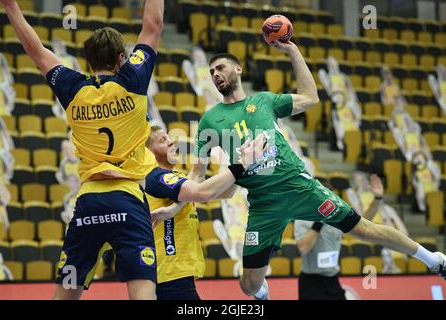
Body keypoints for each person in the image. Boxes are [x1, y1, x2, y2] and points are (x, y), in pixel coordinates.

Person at [188, 38, 446, 300]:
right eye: (211, 72)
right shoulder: (211, 119)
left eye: (220, 68)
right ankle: (262, 290)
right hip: (263, 204)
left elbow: (311, 98)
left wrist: (292, 50)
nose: (216, 75)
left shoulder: (265, 101)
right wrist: (185, 200)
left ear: (238, 69)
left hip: (300, 188)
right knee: (249, 287)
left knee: (365, 230)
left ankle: (434, 259)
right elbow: (197, 174)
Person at [1, 0, 165, 299]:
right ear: (121, 58)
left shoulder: (72, 87)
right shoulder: (134, 80)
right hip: (128, 199)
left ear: (88, 61)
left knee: (66, 292)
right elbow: (152, 27)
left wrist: (11, 6)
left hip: (89, 203)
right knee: (143, 293)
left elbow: (37, 52)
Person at [144, 125, 265, 300]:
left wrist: (240, 162)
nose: (171, 142)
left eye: (169, 138)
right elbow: (202, 191)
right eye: (163, 140)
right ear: (148, 151)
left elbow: (226, 191)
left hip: (177, 273)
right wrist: (243, 163)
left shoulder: (175, 176)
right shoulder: (156, 177)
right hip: (168, 273)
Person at [294, 174, 384, 300]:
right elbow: (303, 248)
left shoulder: (337, 216)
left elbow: (364, 223)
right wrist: (320, 220)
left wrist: (378, 198)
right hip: (311, 283)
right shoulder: (302, 219)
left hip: (333, 280)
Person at [318, 56, 361, 150]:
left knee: (355, 112)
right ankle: (340, 139)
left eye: (334, 63)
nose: (333, 65)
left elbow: (350, 89)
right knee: (337, 117)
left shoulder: (343, 76)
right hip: (337, 101)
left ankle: (354, 136)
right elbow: (326, 84)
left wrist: (352, 100)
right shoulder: (328, 76)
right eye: (330, 64)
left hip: (347, 101)